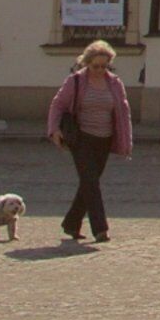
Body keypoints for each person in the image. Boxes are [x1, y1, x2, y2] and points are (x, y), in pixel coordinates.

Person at [44, 42, 136, 244]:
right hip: (81, 138)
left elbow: (123, 112)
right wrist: (54, 130)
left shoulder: (114, 83)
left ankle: (71, 223)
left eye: (104, 66)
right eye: (96, 66)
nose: (100, 70)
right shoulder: (75, 81)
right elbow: (58, 104)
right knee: (91, 183)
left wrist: (126, 141)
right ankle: (100, 229)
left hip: (105, 138)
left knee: (88, 183)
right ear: (87, 63)